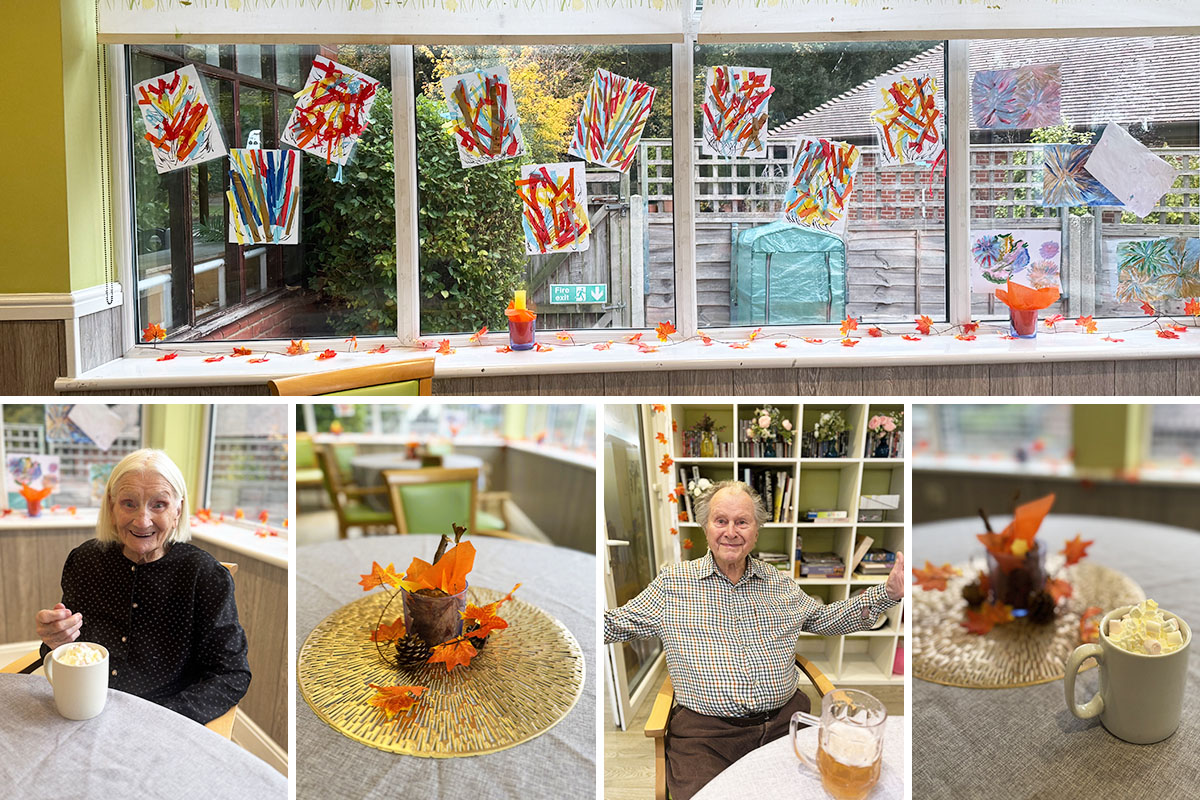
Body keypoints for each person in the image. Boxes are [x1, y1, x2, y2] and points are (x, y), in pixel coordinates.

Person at [604, 480, 905, 800]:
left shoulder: (779, 583)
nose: (731, 531)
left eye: (742, 522)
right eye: (721, 521)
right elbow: (616, 624)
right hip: (705, 737)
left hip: (785, 724)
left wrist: (887, 594)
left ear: (756, 531)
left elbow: (823, 619)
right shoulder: (673, 584)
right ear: (705, 527)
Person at [35, 448, 250, 725]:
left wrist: (163, 719)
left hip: (164, 718)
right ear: (112, 507)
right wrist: (54, 641)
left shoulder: (204, 575)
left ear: (178, 510)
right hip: (82, 712)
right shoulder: (85, 561)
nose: (142, 520)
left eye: (158, 504)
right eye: (128, 503)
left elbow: (231, 674)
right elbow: (67, 652)